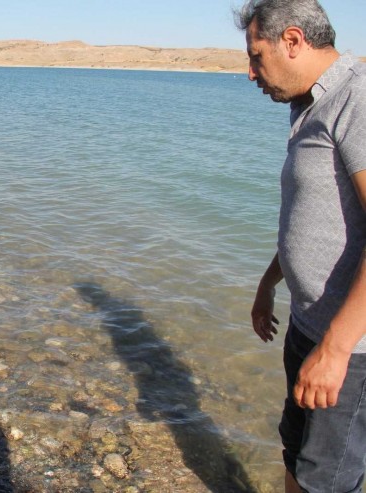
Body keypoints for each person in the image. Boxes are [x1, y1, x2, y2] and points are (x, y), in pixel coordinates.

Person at [235, 1, 366, 491]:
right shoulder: (308, 105)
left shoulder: (358, 99)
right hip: (308, 326)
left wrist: (336, 348)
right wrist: (269, 282)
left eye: (256, 56)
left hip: (352, 348)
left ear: (293, 41)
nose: (251, 73)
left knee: (326, 479)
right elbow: (313, 219)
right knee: (297, 450)